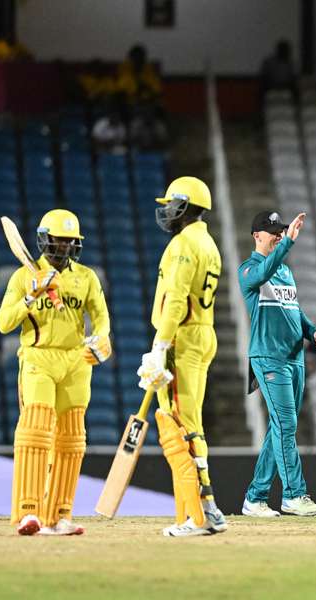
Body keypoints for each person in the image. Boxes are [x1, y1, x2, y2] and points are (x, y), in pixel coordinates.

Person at [0, 209, 112, 536]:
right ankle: (28, 512)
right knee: (35, 432)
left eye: (69, 242)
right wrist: (32, 296)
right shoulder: (23, 278)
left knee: (72, 440)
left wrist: (102, 341)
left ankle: (58, 516)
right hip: (38, 358)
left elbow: (101, 318)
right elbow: (4, 323)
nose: (63, 248)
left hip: (76, 361)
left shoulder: (86, 277)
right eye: (58, 241)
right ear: (45, 241)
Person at [136, 176, 226, 536]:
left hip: (182, 339)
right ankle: (195, 511)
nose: (166, 211)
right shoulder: (209, 243)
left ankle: (204, 514)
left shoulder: (183, 244)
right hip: (203, 333)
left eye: (171, 204)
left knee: (182, 425)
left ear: (185, 206)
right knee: (189, 421)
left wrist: (160, 346)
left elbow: (175, 299)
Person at [240, 211, 316, 519]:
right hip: (268, 357)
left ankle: (255, 498)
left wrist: (312, 330)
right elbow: (264, 271)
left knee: (279, 428)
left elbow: (293, 310)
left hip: (295, 357)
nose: (277, 235)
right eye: (271, 231)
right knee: (287, 424)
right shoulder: (249, 270)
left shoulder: (285, 273)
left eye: (280, 231)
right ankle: (293, 495)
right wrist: (288, 242)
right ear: (256, 236)